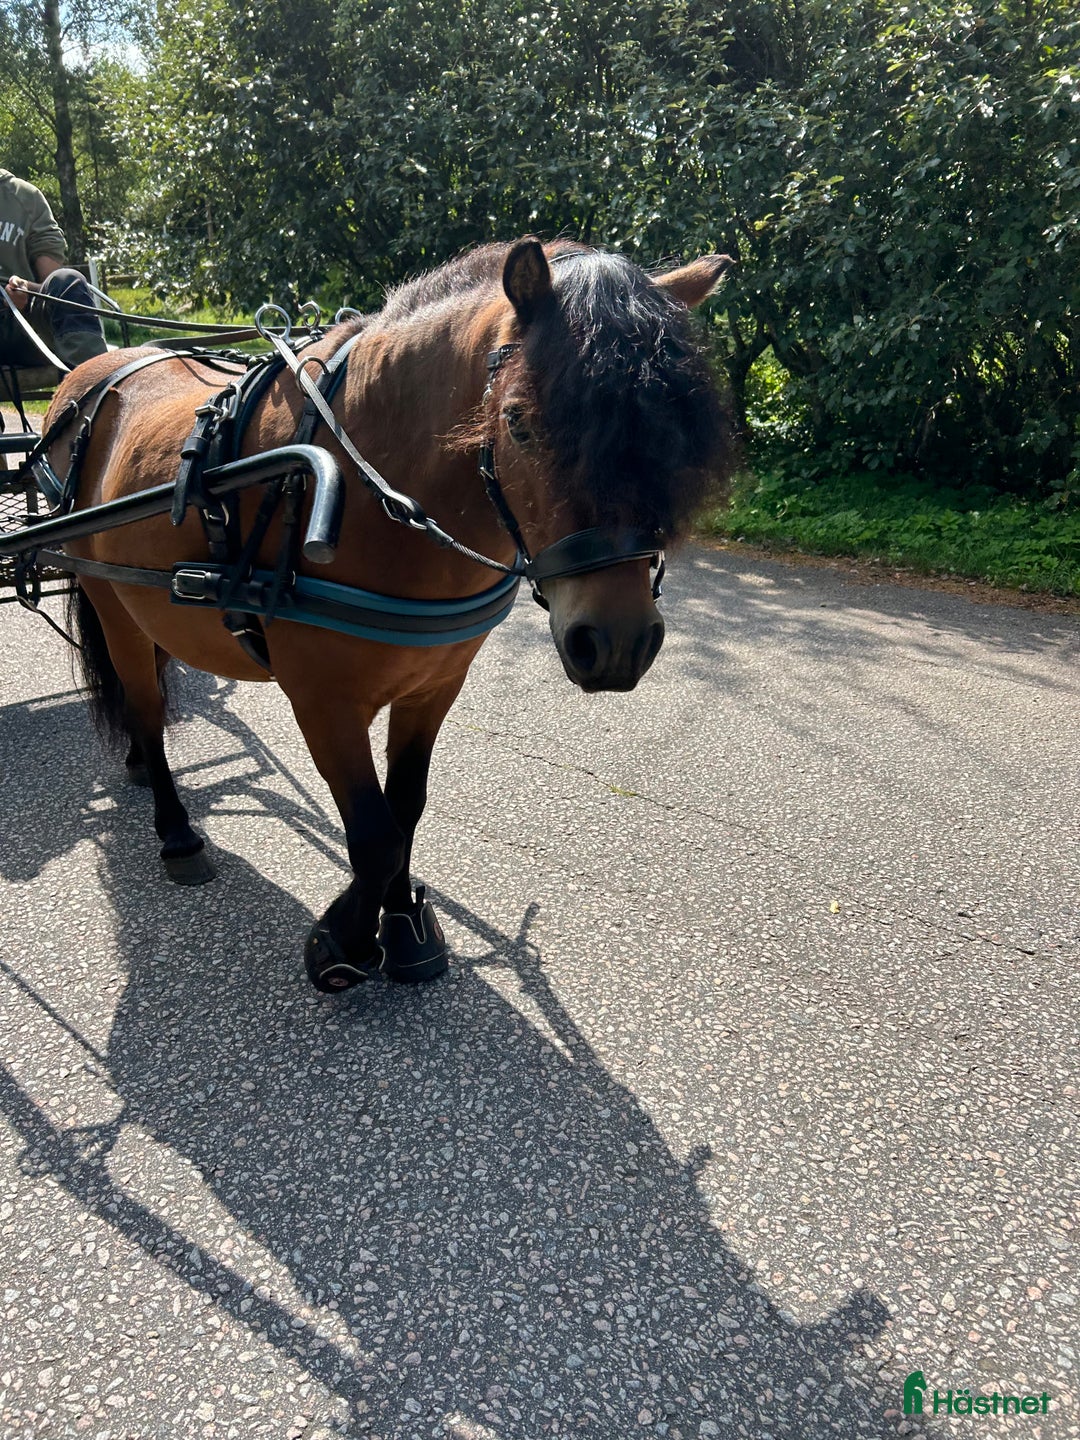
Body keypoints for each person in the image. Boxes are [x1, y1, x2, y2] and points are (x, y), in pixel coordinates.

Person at [0, 168, 107, 370]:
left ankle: (91, 380)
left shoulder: (24, 197)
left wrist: (25, 290)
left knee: (67, 280)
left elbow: (50, 285)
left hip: (25, 329)